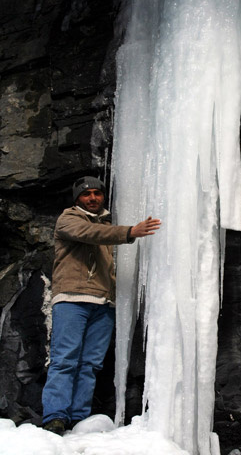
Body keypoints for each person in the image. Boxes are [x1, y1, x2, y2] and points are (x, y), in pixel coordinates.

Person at [42, 176, 160, 435]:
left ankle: (78, 418)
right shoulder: (69, 219)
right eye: (86, 194)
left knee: (90, 364)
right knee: (65, 359)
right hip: (73, 298)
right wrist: (129, 232)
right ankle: (54, 417)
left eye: (97, 193)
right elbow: (89, 234)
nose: (93, 198)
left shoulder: (104, 224)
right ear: (77, 198)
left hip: (103, 303)